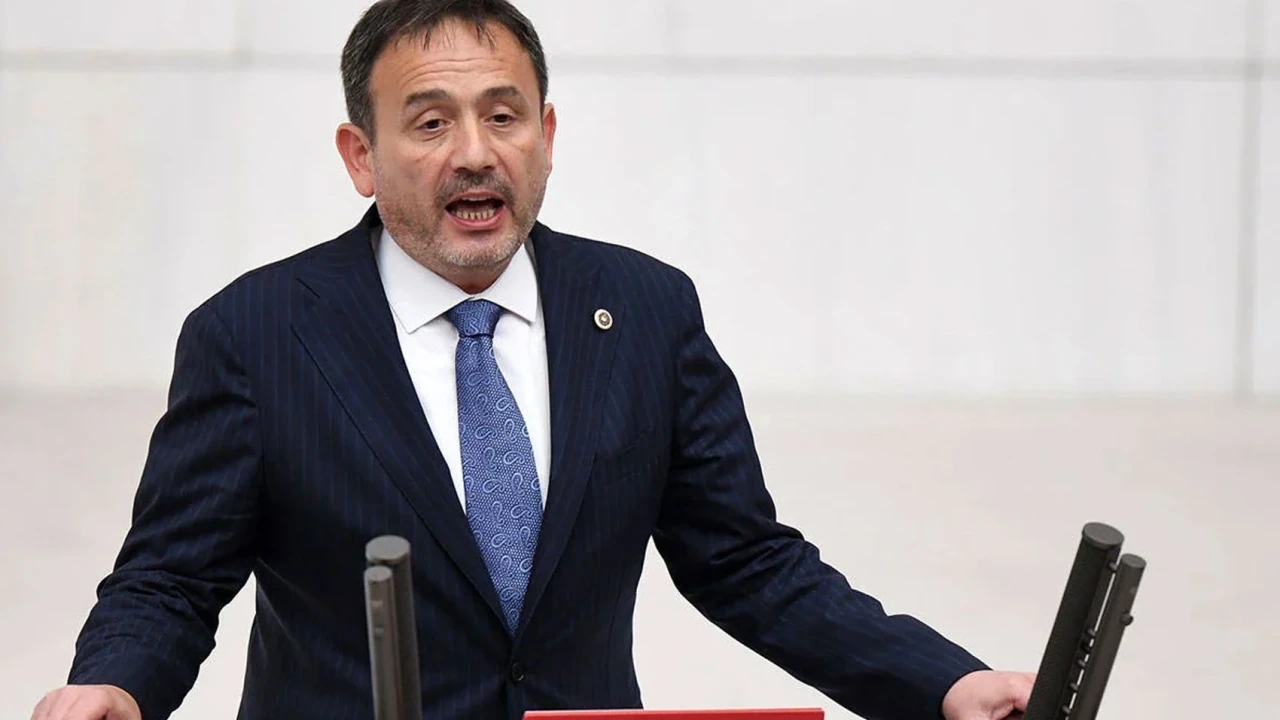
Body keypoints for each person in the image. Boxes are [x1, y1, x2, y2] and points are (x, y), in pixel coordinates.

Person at [30, 1, 1035, 719]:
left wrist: (940, 682)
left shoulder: (643, 311)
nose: (476, 152)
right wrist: (113, 685)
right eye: (431, 122)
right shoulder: (254, 333)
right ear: (360, 156)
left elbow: (745, 561)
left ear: (545, 137)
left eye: (504, 116)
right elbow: (171, 578)